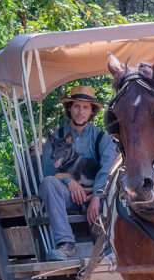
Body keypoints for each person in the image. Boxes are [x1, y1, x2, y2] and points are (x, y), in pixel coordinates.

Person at [39, 85, 118, 261]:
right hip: (66, 196)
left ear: (91, 111)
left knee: (118, 187)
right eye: (76, 106)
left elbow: (108, 170)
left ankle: (109, 245)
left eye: (85, 107)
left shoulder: (101, 139)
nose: (80, 112)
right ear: (69, 109)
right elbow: (49, 172)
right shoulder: (56, 136)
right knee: (47, 184)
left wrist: (97, 196)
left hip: (96, 197)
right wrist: (70, 182)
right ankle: (66, 244)